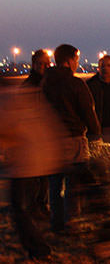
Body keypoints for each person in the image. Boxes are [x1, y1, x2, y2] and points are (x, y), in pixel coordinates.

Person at [0, 79, 69, 258]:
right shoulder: (24, 96)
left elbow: (8, 131)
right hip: (40, 159)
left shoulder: (6, 100)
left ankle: (38, 248)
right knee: (25, 206)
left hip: (26, 163)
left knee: (19, 208)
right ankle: (38, 242)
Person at [41, 44, 102, 232]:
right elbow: (87, 111)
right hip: (73, 139)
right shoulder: (75, 84)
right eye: (76, 60)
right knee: (74, 185)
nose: (77, 63)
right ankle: (71, 221)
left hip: (51, 140)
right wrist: (96, 134)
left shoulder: (45, 83)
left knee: (54, 185)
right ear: (69, 61)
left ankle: (56, 222)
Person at [20, 50, 53, 218]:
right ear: (34, 65)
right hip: (32, 139)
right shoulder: (29, 86)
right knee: (34, 178)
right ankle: (34, 208)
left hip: (46, 137)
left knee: (45, 178)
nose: (45, 67)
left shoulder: (49, 84)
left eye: (47, 63)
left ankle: (41, 205)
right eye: (41, 63)